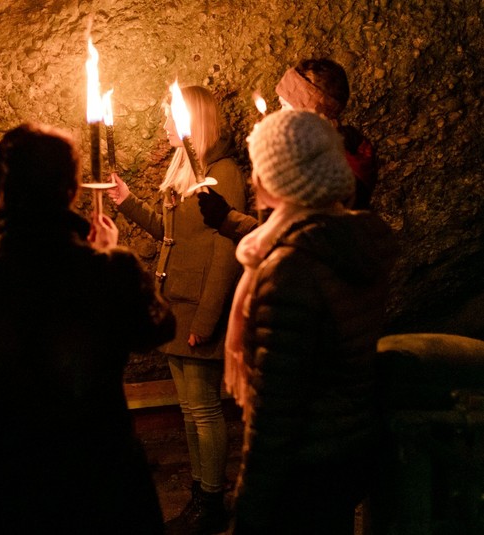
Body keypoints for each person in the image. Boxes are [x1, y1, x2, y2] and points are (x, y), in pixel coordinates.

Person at [0, 123, 175, 534]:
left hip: (2, 500)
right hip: (102, 494)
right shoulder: (107, 273)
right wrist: (112, 261)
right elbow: (157, 327)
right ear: (71, 189)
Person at [225, 110, 397, 534]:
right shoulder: (354, 242)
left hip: (301, 468)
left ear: (276, 179)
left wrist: (250, 507)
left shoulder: (291, 269)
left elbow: (276, 411)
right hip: (346, 449)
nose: (252, 179)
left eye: (259, 167)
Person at [107, 85, 245, 534]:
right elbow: (167, 234)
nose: (166, 125)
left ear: (194, 121)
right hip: (176, 306)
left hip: (198, 311)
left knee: (205, 411)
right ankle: (199, 491)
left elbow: (226, 252)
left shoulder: (223, 174)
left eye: (172, 117)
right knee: (191, 410)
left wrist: (207, 321)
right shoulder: (185, 169)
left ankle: (211, 501)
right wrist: (126, 201)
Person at [198, 57, 378, 239]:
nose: (279, 113)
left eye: (285, 105)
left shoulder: (330, 174)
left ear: (310, 113)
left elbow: (292, 245)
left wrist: (228, 220)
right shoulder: (316, 157)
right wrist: (227, 218)